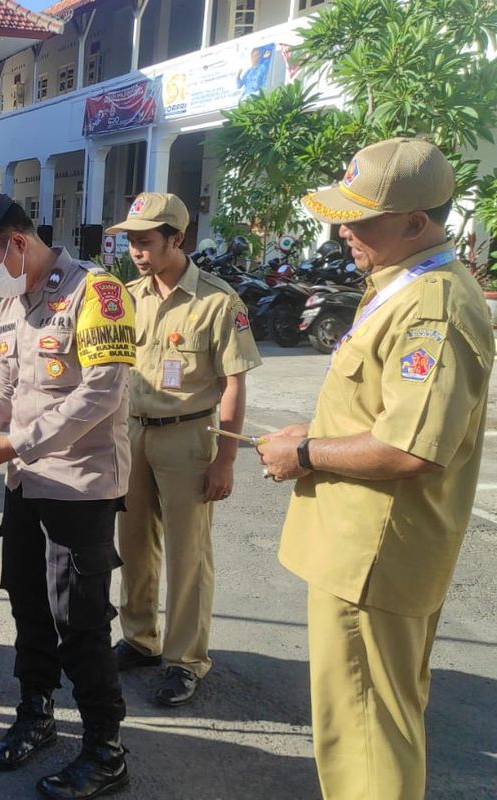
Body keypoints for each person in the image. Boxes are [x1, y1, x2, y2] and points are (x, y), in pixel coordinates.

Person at [258, 137, 492, 800]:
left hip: (372, 558)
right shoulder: (402, 286)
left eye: (360, 218)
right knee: (374, 725)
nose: (343, 229)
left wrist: (305, 454)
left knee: (366, 736)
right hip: (363, 551)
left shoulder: (433, 306)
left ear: (415, 223)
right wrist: (316, 434)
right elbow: (385, 414)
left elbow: (410, 448)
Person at [0, 193, 136, 798]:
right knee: (28, 604)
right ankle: (37, 713)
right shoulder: (11, 304)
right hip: (25, 483)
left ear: (18, 244)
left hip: (79, 486)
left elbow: (102, 392)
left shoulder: (98, 294)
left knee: (80, 620)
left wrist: (16, 443)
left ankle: (105, 749)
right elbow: (7, 388)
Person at [109, 192, 262, 707]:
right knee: (133, 542)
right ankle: (140, 638)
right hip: (133, 431)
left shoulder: (218, 302)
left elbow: (234, 383)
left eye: (146, 241)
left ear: (177, 238)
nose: (136, 251)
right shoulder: (128, 297)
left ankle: (185, 660)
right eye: (131, 241)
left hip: (189, 436)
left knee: (187, 552)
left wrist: (226, 458)